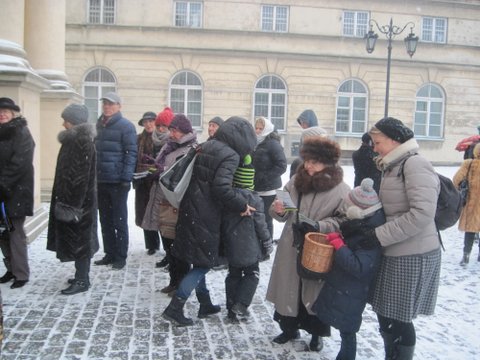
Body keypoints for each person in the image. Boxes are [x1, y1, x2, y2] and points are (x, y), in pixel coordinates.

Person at [162, 116, 257, 326]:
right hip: (207, 214)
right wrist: (241, 205)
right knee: (203, 264)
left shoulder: (207, 145)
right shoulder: (230, 155)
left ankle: (205, 304)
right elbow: (221, 188)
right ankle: (175, 308)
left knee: (199, 258)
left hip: (191, 208)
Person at [365, 117, 441, 360]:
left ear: (395, 140)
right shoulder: (392, 165)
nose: (374, 148)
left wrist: (378, 235)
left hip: (412, 253)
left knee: (398, 318)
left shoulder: (415, 164)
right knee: (387, 314)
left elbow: (422, 213)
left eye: (377, 142)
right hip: (395, 247)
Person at [266, 136, 351, 352]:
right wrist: (279, 210)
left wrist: (319, 226)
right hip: (291, 244)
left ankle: (316, 334)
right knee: (288, 287)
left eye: (315, 162)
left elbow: (344, 220)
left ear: (328, 163)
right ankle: (288, 328)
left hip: (319, 247)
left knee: (314, 291)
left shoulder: (341, 189)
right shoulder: (296, 181)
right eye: (307, 160)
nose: (309, 166)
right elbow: (282, 209)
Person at [313, 178, 385, 360]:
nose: (345, 210)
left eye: (348, 207)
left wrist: (340, 245)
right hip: (345, 286)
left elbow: (359, 267)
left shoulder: (370, 234)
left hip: (352, 290)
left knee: (347, 330)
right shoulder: (361, 225)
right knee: (338, 322)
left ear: (359, 210)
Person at [46, 104, 99, 295]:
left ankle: (82, 280)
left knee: (81, 241)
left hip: (78, 203)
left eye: (66, 120)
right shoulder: (75, 140)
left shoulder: (81, 141)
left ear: (74, 121)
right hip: (74, 201)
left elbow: (80, 177)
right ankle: (80, 276)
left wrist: (72, 206)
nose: (63, 123)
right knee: (79, 240)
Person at [142, 114, 197, 296]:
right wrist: (153, 169)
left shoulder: (191, 149)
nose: (171, 133)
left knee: (177, 249)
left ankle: (181, 284)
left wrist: (161, 171)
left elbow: (182, 176)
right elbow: (163, 168)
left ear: (184, 132)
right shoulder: (169, 146)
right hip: (162, 201)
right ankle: (173, 282)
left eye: (175, 130)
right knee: (168, 247)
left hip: (176, 205)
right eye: (171, 130)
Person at [223, 155, 273, 322]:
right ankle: (242, 304)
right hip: (249, 245)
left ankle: (231, 309)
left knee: (233, 274)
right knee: (252, 274)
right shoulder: (254, 199)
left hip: (231, 242)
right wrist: (267, 242)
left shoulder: (228, 197)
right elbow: (261, 224)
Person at [94, 92, 137, 270]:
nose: (107, 106)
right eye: (105, 103)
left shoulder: (126, 126)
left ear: (119, 106)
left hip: (118, 182)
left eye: (111, 104)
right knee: (105, 219)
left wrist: (126, 178)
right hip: (101, 179)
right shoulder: (98, 125)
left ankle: (120, 256)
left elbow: (131, 153)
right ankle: (109, 253)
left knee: (119, 220)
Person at [0, 97, 35, 289]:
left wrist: (2, 183)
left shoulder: (21, 132)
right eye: (0, 111)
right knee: (2, 234)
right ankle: (10, 268)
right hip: (1, 190)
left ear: (13, 113)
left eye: (6, 111)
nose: (2, 114)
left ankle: (21, 273)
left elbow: (20, 163)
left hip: (16, 191)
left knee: (15, 233)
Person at [134, 109, 173, 257]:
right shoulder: (139, 139)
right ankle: (151, 244)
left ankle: (166, 247)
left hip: (157, 180)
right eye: (146, 122)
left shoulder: (163, 139)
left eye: (151, 121)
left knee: (160, 214)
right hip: (143, 181)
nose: (149, 124)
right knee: (145, 212)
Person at [252, 116, 287, 241]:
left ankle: (267, 243)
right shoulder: (255, 143)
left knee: (266, 218)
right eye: (256, 128)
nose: (257, 131)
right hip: (256, 188)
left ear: (266, 129)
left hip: (269, 189)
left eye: (260, 128)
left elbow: (282, 166)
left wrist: (265, 177)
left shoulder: (273, 144)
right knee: (256, 218)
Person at [453, 142, 480, 265]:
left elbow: (456, 180)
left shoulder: (468, 164)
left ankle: (466, 255)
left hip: (472, 204)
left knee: (470, 230)